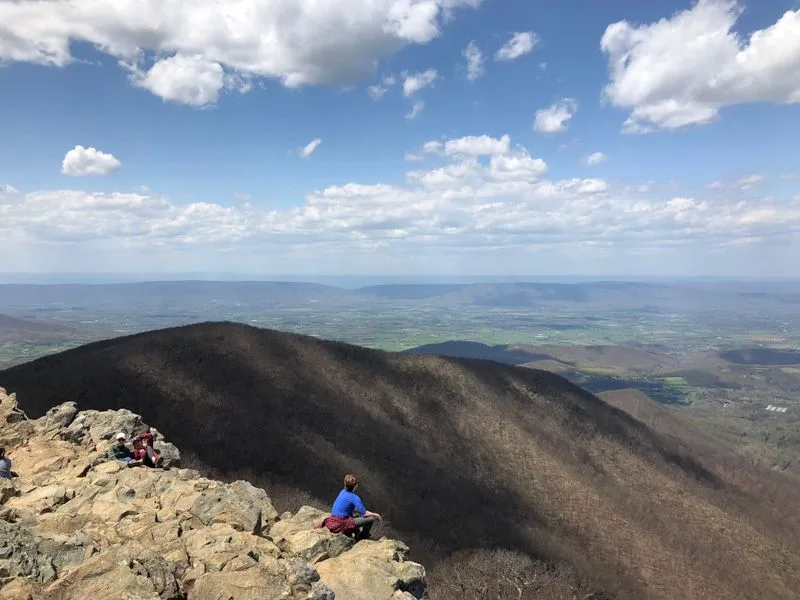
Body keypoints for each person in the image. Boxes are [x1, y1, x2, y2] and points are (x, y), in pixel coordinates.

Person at [320, 474, 381, 540]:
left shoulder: (342, 491)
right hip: (342, 523)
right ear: (355, 486)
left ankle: (356, 532)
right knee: (371, 519)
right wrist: (376, 515)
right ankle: (362, 537)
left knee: (356, 513)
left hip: (333, 520)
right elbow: (364, 513)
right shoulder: (354, 498)